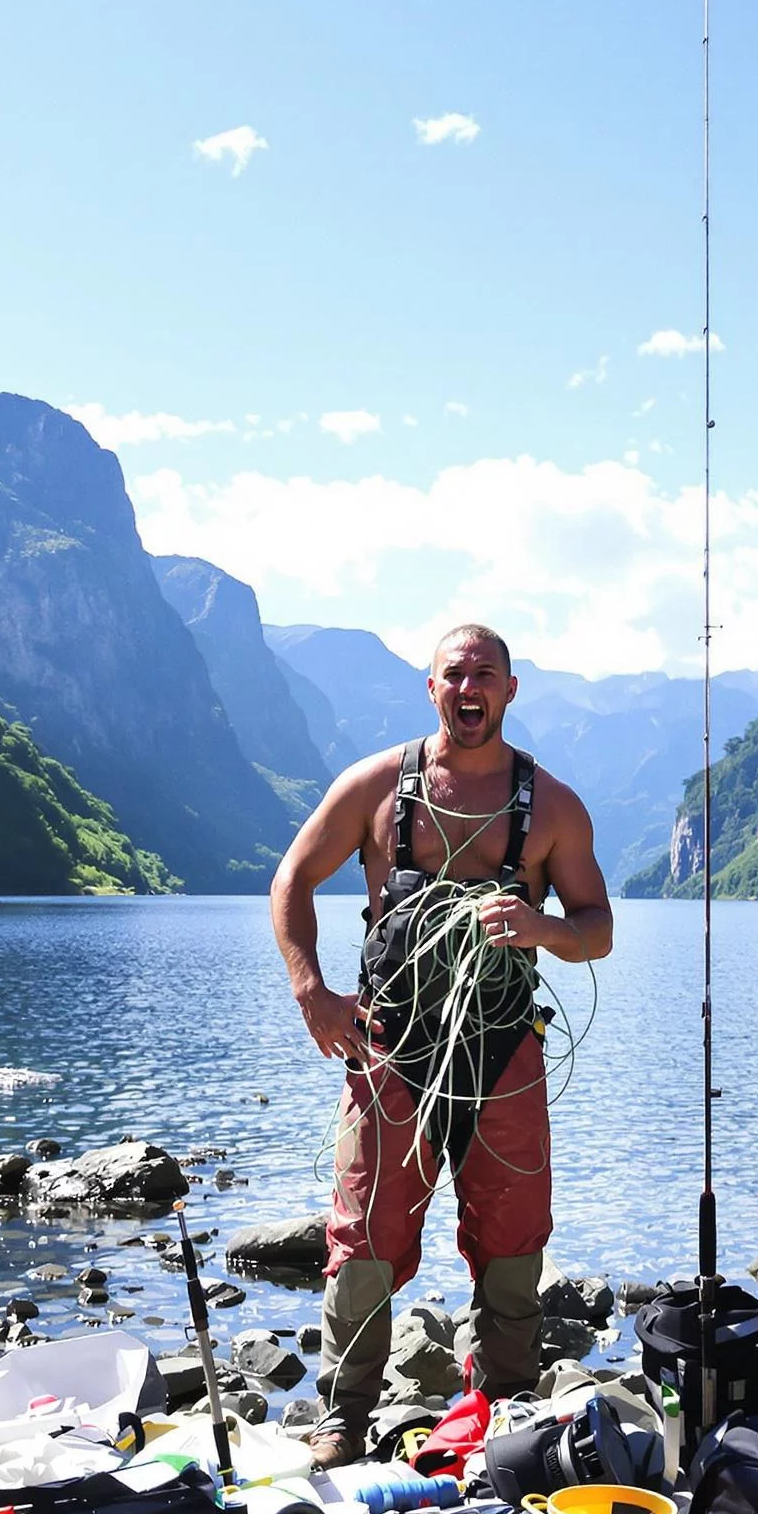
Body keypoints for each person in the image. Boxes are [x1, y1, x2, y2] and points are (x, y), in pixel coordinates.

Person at [269, 623, 614, 1467]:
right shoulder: (378, 787)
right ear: (432, 689)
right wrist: (312, 991)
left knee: (513, 1233)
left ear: (509, 689)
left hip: (503, 1050)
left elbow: (598, 929)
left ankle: (504, 1401)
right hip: (390, 1048)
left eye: (485, 675)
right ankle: (345, 1413)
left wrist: (541, 926)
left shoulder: (555, 806)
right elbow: (292, 880)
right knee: (364, 1236)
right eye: (454, 675)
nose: (470, 689)